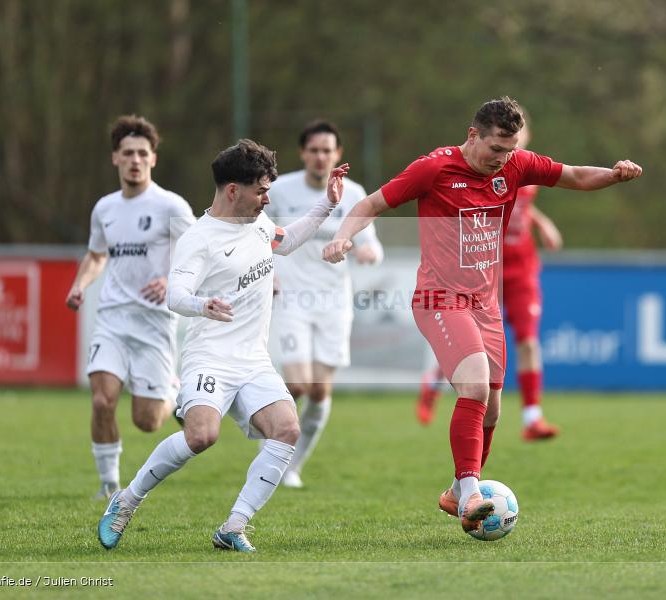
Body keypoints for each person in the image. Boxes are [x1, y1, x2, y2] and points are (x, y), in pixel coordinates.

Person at [323, 97, 642, 536]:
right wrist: (343, 238)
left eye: (509, 151)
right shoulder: (434, 168)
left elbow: (575, 177)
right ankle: (473, 493)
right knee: (473, 385)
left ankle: (457, 491)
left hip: (484, 305)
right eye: (496, 149)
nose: (502, 160)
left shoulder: (516, 165)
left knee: (491, 411)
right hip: (438, 298)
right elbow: (371, 205)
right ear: (473, 135)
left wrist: (615, 174)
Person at [97, 139, 350, 553]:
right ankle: (126, 501)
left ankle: (235, 525)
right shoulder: (200, 239)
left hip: (253, 360)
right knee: (201, 437)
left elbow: (285, 241)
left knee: (286, 429)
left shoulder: (260, 224)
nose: (267, 198)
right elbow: (175, 295)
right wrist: (203, 304)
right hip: (209, 357)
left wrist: (326, 206)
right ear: (234, 190)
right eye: (261, 191)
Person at [66, 115, 196, 500]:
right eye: (128, 153)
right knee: (102, 399)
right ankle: (109, 486)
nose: (135, 160)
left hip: (155, 323)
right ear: (115, 159)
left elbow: (199, 254)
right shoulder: (105, 208)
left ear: (153, 159)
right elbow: (95, 255)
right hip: (112, 318)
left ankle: (175, 390)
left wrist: (173, 280)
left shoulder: (170, 205)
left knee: (148, 422)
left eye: (142, 153)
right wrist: (79, 285)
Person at [416, 116, 563, 441]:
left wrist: (543, 224)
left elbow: (519, 206)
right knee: (470, 347)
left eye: (519, 135)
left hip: (521, 268)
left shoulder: (525, 171)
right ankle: (433, 382)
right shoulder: (478, 170)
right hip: (482, 269)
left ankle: (532, 417)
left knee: (527, 339)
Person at [266, 120, 383, 489]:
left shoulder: (354, 193)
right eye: (314, 150)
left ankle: (292, 466)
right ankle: (268, 434)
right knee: (298, 385)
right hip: (292, 299)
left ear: (338, 154)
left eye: (327, 150)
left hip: (334, 303)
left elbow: (373, 245)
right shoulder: (281, 190)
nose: (321, 157)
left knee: (319, 391)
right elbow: (257, 235)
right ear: (303, 153)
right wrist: (268, 272)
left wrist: (367, 251)